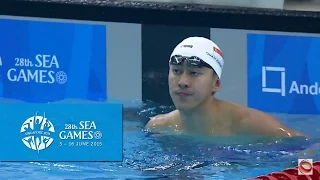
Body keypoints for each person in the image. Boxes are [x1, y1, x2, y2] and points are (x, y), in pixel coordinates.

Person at [145, 37, 306, 137]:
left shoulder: (247, 123)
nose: (182, 81)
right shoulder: (159, 128)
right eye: (176, 71)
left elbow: (308, 149)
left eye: (194, 73)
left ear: (216, 84)